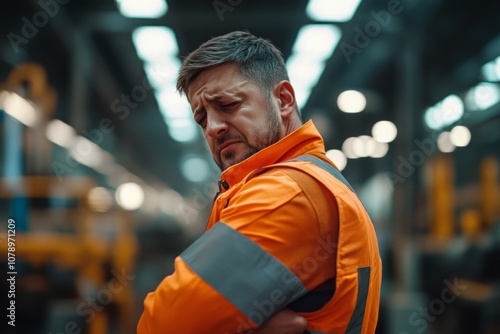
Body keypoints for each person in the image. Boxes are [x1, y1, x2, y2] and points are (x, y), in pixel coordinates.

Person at [137, 30, 382, 334]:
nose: (213, 128)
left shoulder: (287, 193)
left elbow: (161, 324)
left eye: (228, 105)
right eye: (202, 118)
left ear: (283, 100)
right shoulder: (312, 179)